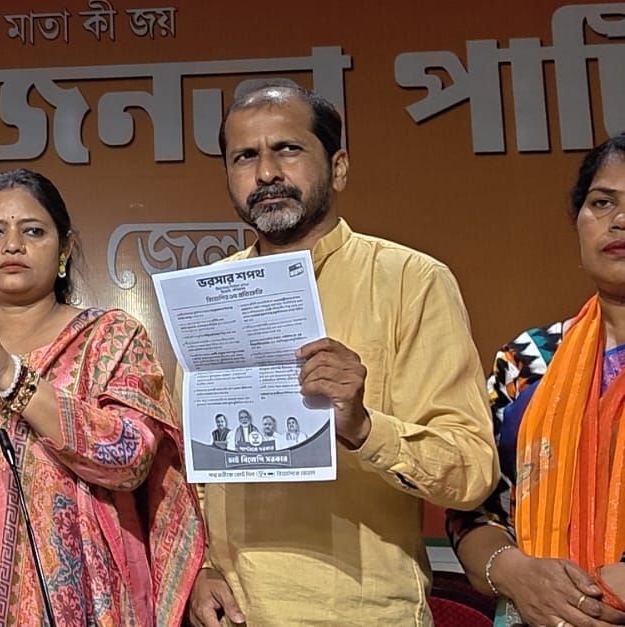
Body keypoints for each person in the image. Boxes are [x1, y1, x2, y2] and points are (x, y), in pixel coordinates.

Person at [188, 81, 497, 627]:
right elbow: (188, 476)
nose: (266, 173)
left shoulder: (410, 281)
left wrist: (363, 426)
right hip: (233, 612)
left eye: (287, 149)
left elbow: (472, 471)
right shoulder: (207, 296)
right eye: (245, 156)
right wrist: (199, 570)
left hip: (363, 613)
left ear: (339, 167)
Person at [0, 168, 203, 624]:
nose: (13, 245)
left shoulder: (110, 338)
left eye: (33, 231)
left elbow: (130, 457)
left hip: (90, 608)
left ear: (65, 249)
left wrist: (10, 374)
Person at [448, 135, 625, 627]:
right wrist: (515, 573)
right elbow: (472, 506)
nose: (619, 220)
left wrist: (600, 594)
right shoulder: (528, 359)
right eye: (602, 202)